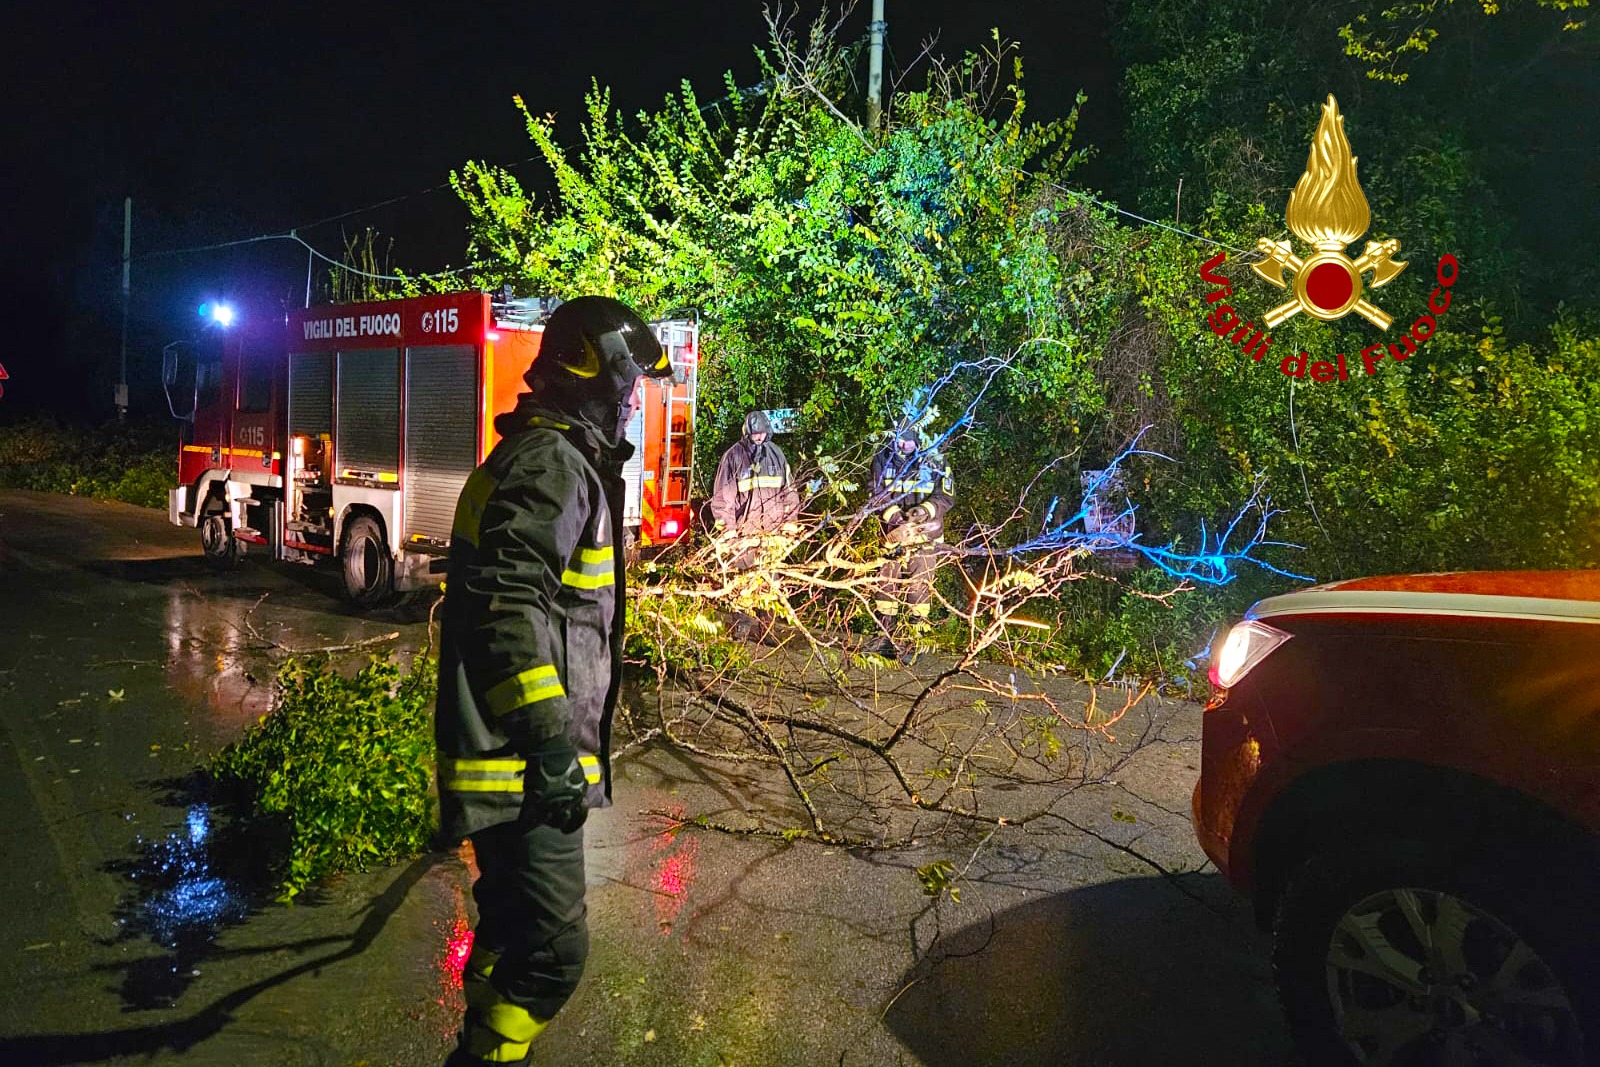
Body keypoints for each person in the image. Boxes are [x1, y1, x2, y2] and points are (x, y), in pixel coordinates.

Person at [435, 296, 674, 1067]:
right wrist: (548, 746)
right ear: (589, 374)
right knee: (553, 953)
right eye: (628, 383)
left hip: (508, 761)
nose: (633, 400)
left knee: (509, 930)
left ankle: (486, 1041)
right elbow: (509, 609)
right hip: (520, 769)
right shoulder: (551, 464)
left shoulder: (549, 457)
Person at [706, 411, 800, 641]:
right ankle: (742, 627)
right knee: (743, 583)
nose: (759, 437)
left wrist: (790, 524)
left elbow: (789, 492)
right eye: (755, 433)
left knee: (770, 583)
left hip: (772, 533)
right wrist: (728, 532)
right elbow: (723, 499)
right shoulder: (733, 457)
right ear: (747, 433)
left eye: (762, 433)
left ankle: (767, 630)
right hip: (744, 534)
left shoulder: (777, 455)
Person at [869, 421, 954, 655]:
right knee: (885, 585)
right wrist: (896, 520)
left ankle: (913, 643)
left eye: (908, 440)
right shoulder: (882, 459)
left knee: (919, 589)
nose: (902, 445)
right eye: (899, 439)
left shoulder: (936, 461)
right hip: (893, 534)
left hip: (925, 535)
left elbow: (946, 496)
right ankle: (884, 638)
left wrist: (924, 511)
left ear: (918, 439)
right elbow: (875, 494)